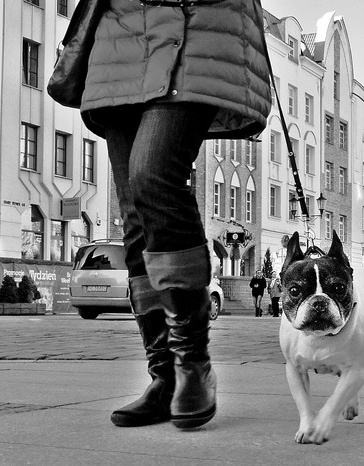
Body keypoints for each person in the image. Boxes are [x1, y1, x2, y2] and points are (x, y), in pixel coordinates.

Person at [79, 1, 272, 429]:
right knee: (134, 217)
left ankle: (193, 362)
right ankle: (163, 375)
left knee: (153, 176)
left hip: (199, 33)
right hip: (120, 42)